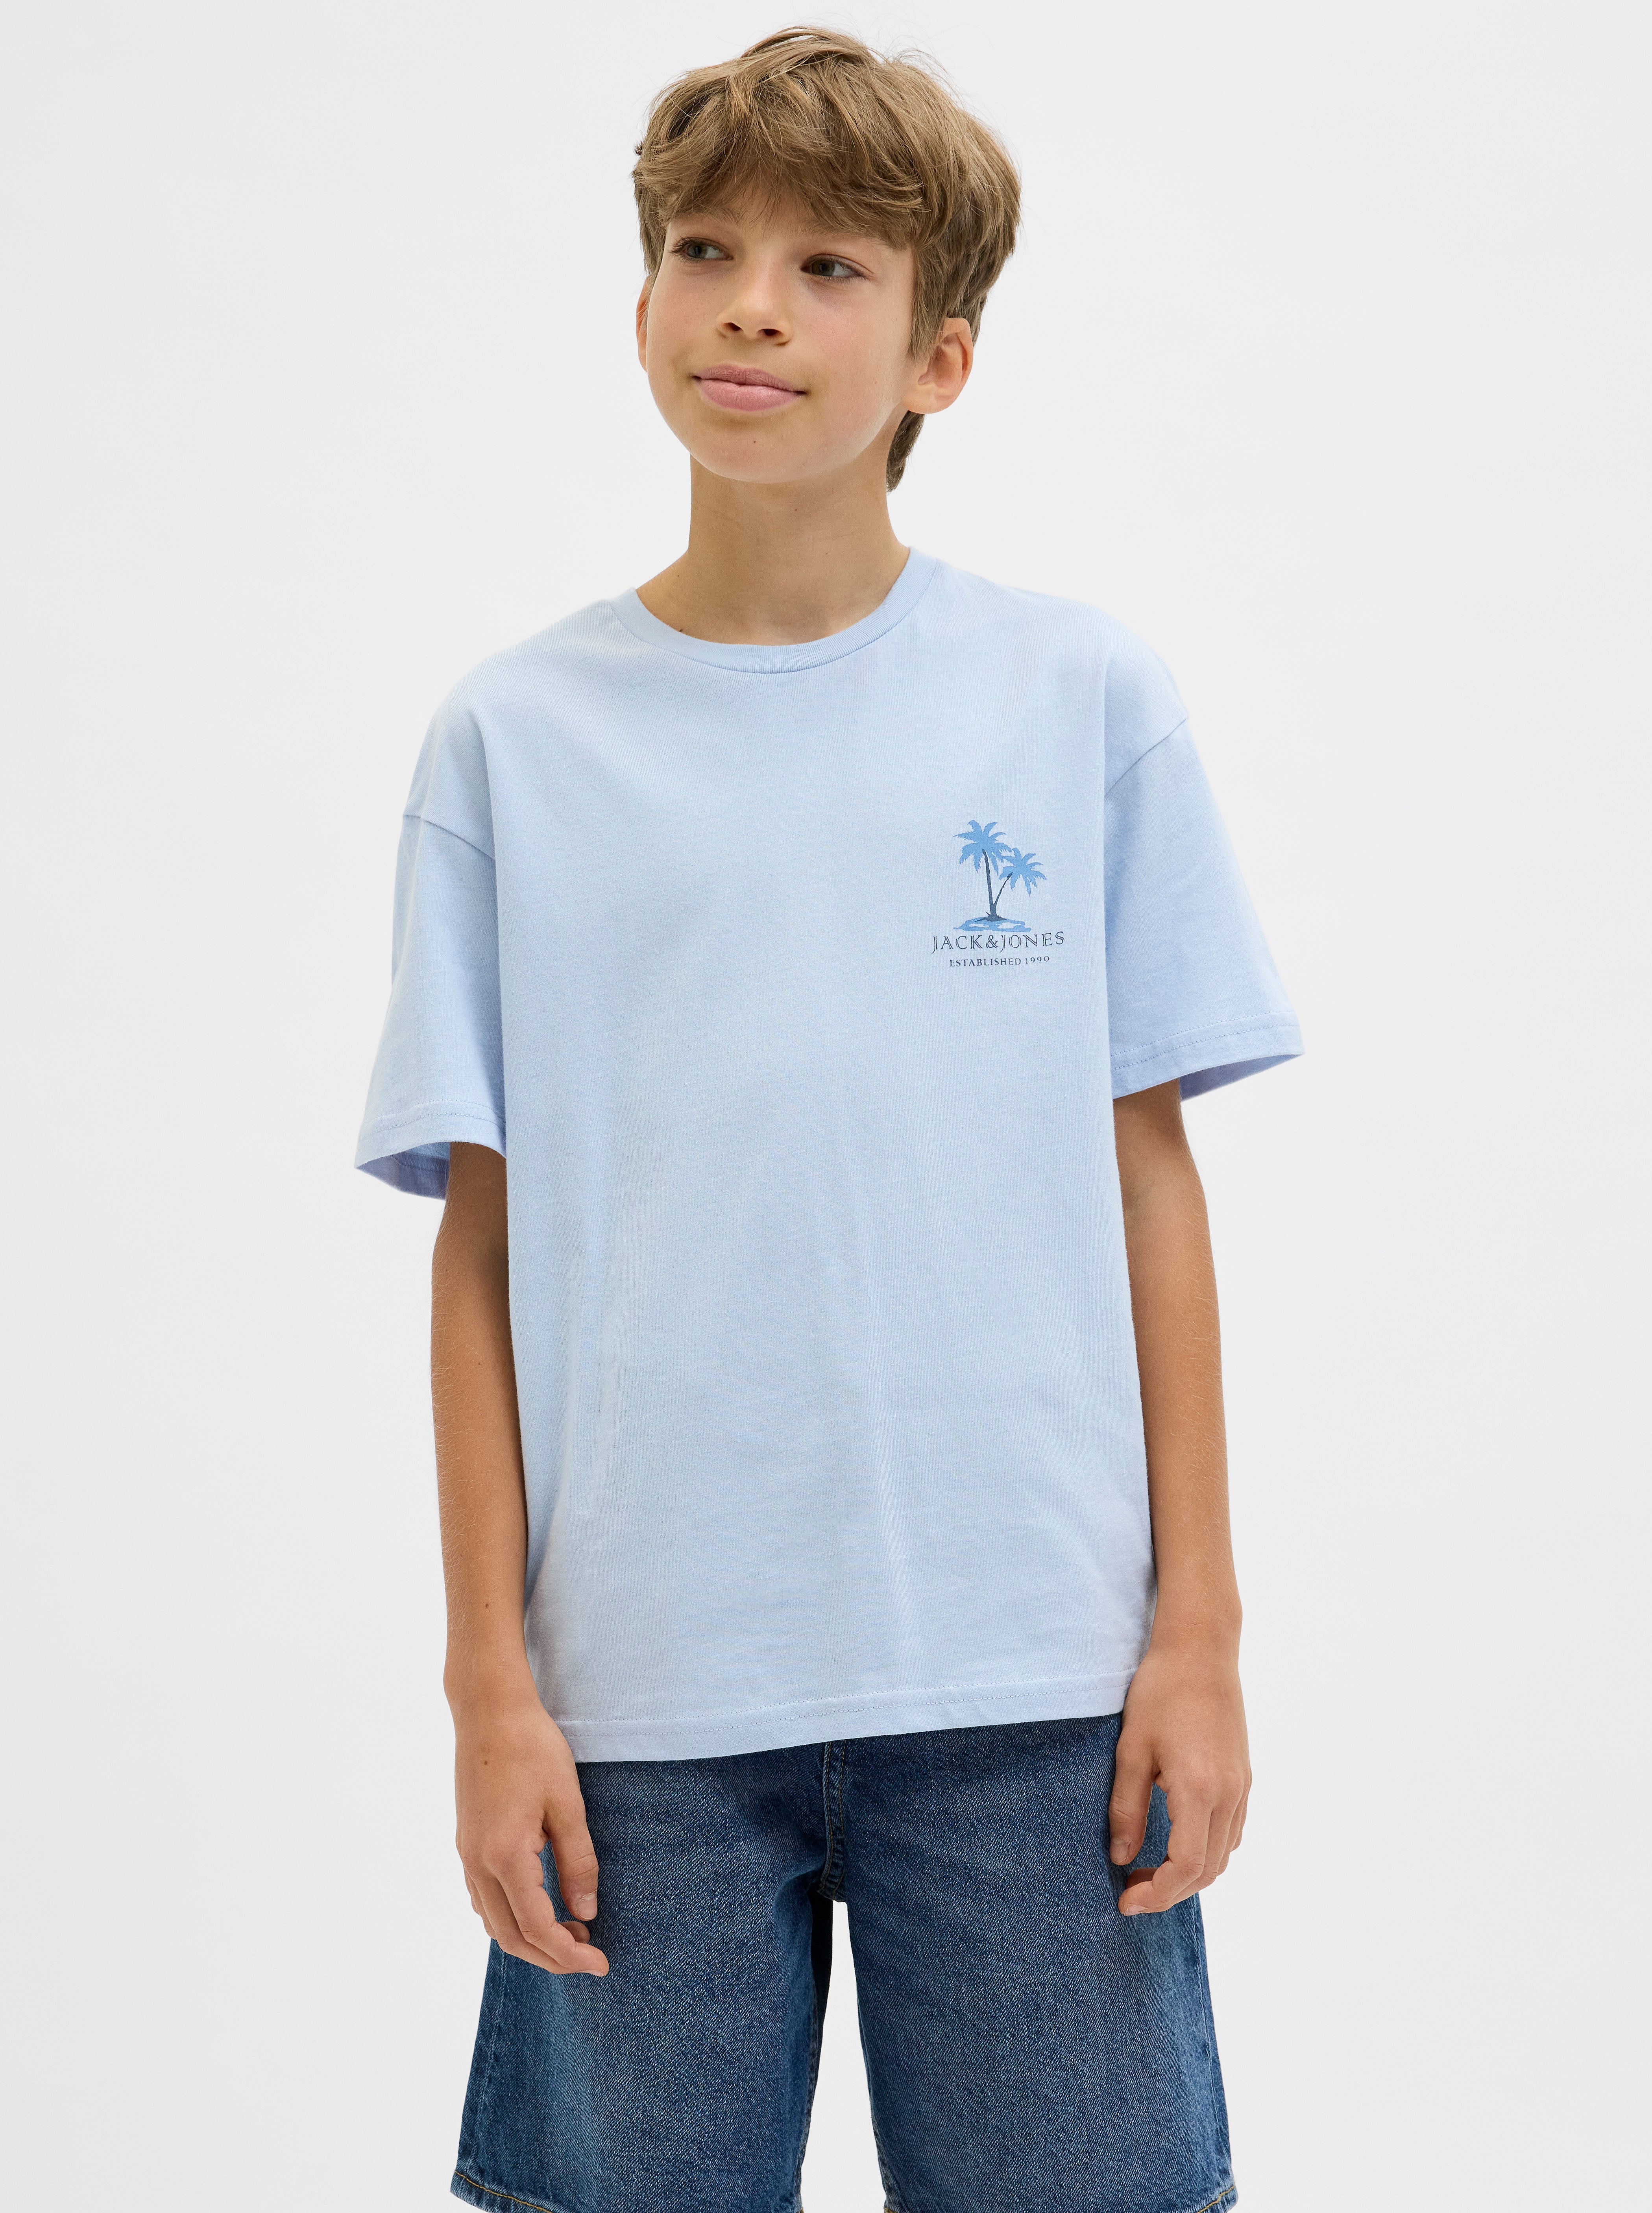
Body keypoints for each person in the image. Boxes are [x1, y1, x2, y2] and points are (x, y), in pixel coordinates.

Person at [357, 27, 1301, 2213]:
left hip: (1038, 1683)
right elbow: (480, 1244)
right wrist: (490, 1684)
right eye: (705, 251)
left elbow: (1148, 1180)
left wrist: (1201, 1630)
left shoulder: (1077, 699)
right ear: (642, 309)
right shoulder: (515, 743)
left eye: (829, 266)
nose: (753, 307)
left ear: (942, 357)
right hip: (641, 1713)